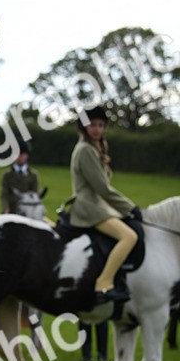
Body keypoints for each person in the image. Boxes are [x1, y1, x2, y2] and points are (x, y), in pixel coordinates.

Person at [65, 106, 137, 305]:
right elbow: (102, 188)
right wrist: (130, 208)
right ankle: (103, 283)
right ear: (84, 127)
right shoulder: (86, 150)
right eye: (92, 125)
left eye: (100, 125)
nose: (97, 129)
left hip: (99, 206)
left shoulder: (93, 147)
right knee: (129, 236)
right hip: (90, 208)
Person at [0, 141, 39, 214]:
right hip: (11, 212)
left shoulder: (33, 175)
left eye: (22, 154)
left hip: (27, 212)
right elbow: (4, 195)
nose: (19, 157)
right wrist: (6, 208)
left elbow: (34, 195)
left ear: (27, 155)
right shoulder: (7, 175)